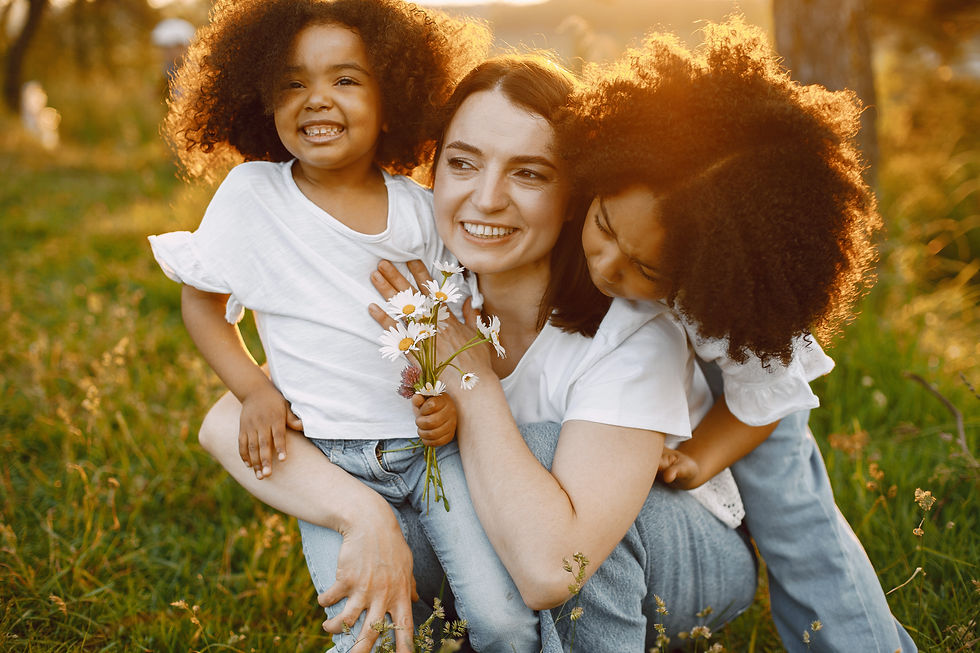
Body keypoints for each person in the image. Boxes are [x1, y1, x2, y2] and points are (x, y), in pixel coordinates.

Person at [198, 53, 759, 652]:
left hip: (680, 550)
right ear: (433, 168)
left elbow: (554, 570)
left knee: (540, 449)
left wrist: (475, 381)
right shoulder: (426, 286)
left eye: (530, 174)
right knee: (393, 477)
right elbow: (225, 421)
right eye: (462, 164)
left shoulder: (629, 331)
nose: (486, 199)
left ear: (575, 192)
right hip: (520, 535)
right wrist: (360, 513)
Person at [146, 2, 548, 652]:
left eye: (345, 79)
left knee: (503, 620)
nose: (316, 100)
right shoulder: (253, 196)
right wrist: (253, 388)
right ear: (263, 100)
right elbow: (202, 301)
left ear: (394, 97)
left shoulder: (420, 212)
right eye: (293, 83)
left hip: (432, 457)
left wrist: (445, 403)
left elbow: (460, 323)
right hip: (332, 462)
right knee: (371, 633)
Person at [553, 17, 916, 652]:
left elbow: (760, 407)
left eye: (645, 268)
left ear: (700, 269)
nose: (608, 267)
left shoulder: (733, 301)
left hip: (755, 372)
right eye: (605, 227)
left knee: (796, 525)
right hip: (690, 354)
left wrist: (700, 458)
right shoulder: (613, 186)